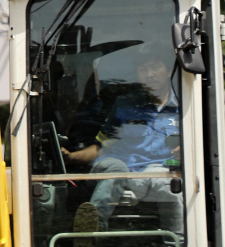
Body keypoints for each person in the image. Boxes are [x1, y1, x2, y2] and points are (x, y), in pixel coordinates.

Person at [60, 48, 184, 237]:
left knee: (173, 187)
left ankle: (179, 240)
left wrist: (185, 154)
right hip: (119, 169)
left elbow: (198, 153)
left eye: (154, 67)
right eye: (143, 69)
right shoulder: (124, 104)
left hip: (159, 174)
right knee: (117, 167)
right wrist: (70, 157)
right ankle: (91, 230)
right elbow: (101, 148)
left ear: (168, 71)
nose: (149, 74)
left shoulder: (186, 108)